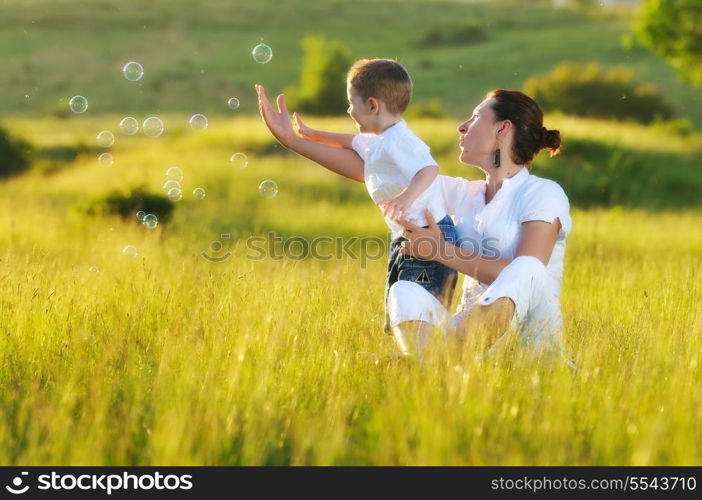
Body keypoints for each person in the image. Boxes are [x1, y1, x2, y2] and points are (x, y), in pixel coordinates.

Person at [255, 84, 572, 364]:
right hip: (468, 338)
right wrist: (291, 140)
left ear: (503, 130)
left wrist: (439, 250)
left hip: (528, 342)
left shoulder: (543, 193)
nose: (462, 127)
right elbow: (372, 170)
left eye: (475, 118)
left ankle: (431, 361)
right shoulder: (462, 193)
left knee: (528, 268)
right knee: (404, 290)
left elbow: (528, 272)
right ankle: (439, 362)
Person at [285, 58, 458, 335]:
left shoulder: (400, 140)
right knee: (397, 303)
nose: (349, 110)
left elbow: (429, 168)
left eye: (352, 103)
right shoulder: (380, 139)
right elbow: (350, 141)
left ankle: (432, 361)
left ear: (372, 105)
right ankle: (413, 361)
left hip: (430, 236)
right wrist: (309, 134)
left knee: (417, 307)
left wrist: (405, 196)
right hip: (406, 235)